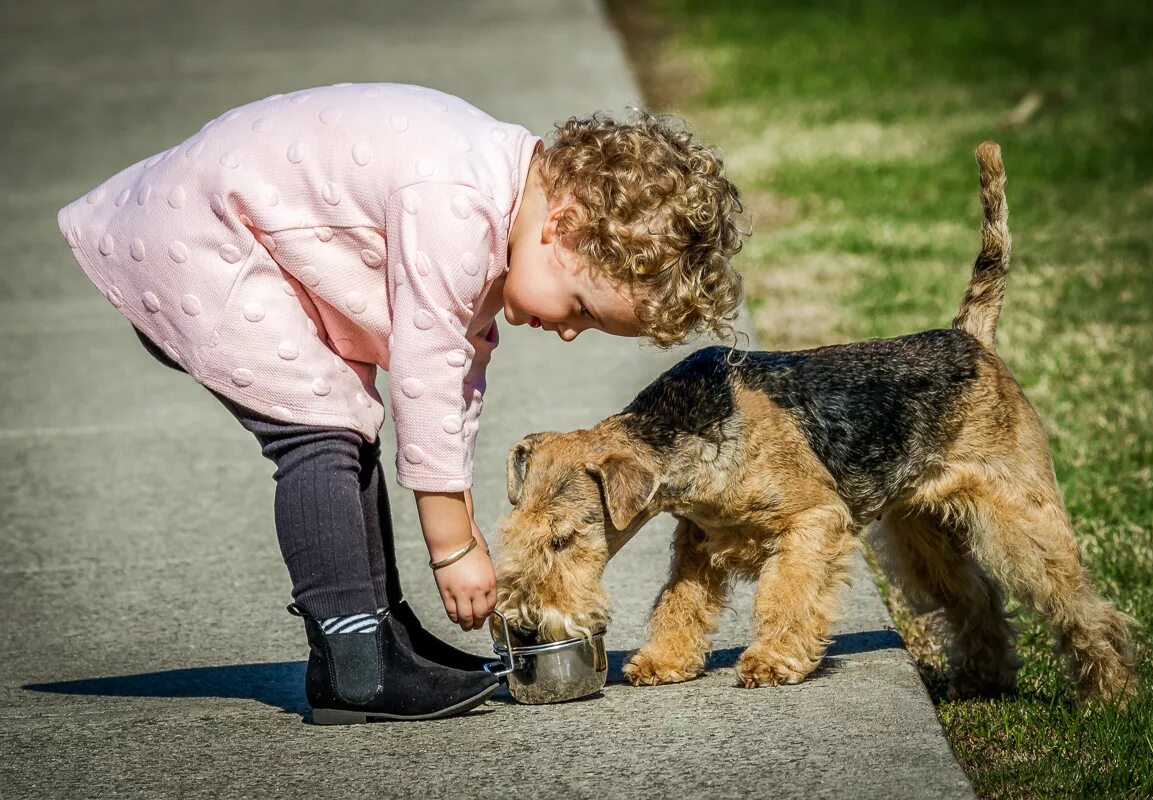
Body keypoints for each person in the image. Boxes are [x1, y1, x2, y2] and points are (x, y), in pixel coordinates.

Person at [56, 83, 745, 723]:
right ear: (561, 225)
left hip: (237, 234)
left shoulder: (501, 198)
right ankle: (356, 664)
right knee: (317, 431)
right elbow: (426, 376)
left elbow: (457, 377)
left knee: (346, 422)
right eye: (581, 310)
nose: (568, 331)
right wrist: (449, 550)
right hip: (204, 241)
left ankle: (380, 629)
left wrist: (464, 518)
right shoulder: (458, 200)